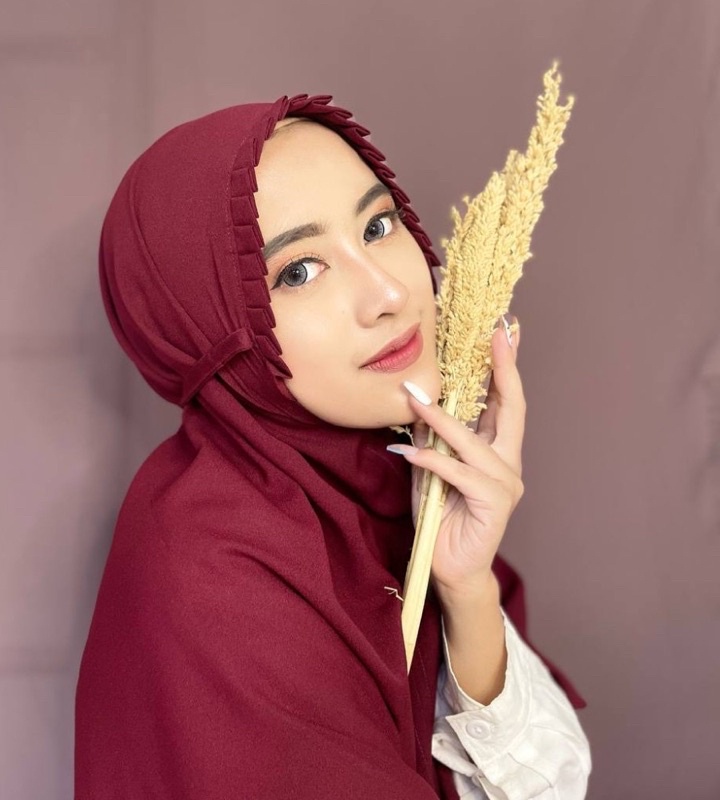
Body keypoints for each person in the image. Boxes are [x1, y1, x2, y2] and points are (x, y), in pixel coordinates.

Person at [75, 93, 591, 799]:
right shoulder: (213, 567)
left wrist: (465, 590)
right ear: (213, 329)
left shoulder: (386, 482)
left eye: (378, 225)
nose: (388, 293)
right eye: (298, 271)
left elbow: (551, 783)